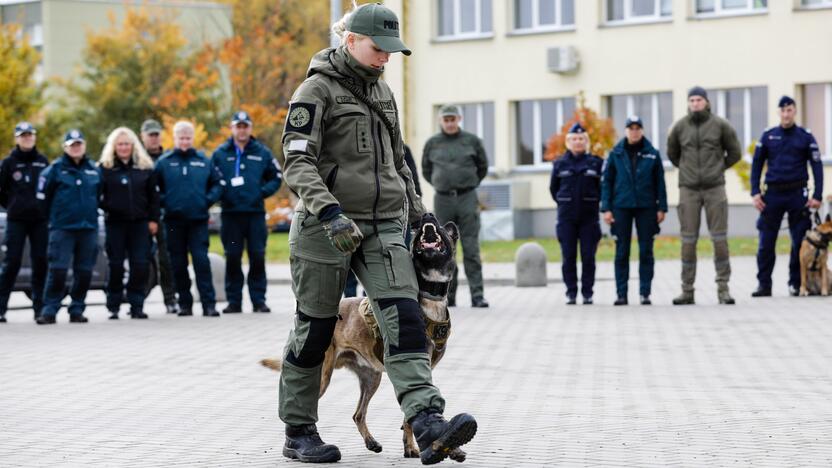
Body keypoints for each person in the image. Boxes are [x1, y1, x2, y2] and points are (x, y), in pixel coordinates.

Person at [277, 3, 477, 464]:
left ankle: (428, 422)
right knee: (315, 328)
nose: (386, 57)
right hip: (326, 227)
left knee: (405, 318)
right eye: (377, 48)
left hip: (384, 224)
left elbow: (398, 161)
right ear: (349, 41)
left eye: (391, 50)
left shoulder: (383, 92)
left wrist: (417, 209)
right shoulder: (315, 90)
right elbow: (298, 162)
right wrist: (329, 213)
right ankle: (299, 430)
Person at [667, 86, 742, 305]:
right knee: (688, 241)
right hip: (688, 190)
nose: (695, 103)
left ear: (706, 102)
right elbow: (673, 154)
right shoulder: (679, 127)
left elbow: (735, 152)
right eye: (692, 100)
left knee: (719, 239)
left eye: (699, 99)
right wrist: (688, 171)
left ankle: (723, 289)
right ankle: (687, 290)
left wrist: (717, 168)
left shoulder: (720, 125)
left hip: (714, 188)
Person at [750, 96, 824, 297]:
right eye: (782, 111)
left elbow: (817, 166)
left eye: (789, 110)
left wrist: (817, 195)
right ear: (778, 112)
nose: (786, 114)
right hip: (772, 194)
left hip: (797, 194)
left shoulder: (805, 137)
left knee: (799, 241)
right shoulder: (768, 136)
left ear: (795, 111)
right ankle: (764, 284)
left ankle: (796, 283)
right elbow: (756, 165)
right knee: (766, 241)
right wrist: (755, 192)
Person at [211, 111, 282, 313]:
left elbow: (276, 177)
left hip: (255, 215)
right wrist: (220, 195)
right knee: (232, 257)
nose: (241, 130)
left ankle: (258, 300)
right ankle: (234, 301)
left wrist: (261, 193)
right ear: (232, 128)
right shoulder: (220, 153)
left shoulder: (262, 152)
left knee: (257, 256)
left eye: (245, 126)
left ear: (250, 128)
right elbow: (212, 180)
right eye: (238, 126)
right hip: (231, 215)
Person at [154, 121, 224, 317]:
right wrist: (165, 202)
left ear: (192, 139)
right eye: (181, 138)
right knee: (178, 263)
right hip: (173, 222)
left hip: (198, 221)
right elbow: (153, 189)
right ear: (174, 139)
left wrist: (206, 201)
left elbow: (218, 185)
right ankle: (185, 304)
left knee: (201, 262)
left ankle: (208, 305)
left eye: (188, 138)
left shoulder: (203, 161)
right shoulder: (164, 162)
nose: (184, 142)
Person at [422, 105, 489, 308]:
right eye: (446, 119)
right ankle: (448, 296)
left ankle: (477, 295)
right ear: (441, 121)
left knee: (471, 249)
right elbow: (426, 170)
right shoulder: (432, 143)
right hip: (443, 200)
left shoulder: (471, 141)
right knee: (445, 250)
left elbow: (483, 167)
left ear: (459, 119)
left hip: (467, 197)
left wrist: (467, 184)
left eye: (453, 119)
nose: (450, 123)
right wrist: (442, 183)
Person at [35, 130, 101, 325]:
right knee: (58, 270)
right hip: (62, 228)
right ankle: (49, 310)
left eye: (79, 144)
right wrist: (54, 219)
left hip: (88, 228)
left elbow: (98, 195)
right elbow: (42, 200)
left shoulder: (94, 170)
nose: (76, 147)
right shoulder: (54, 170)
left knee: (85, 271)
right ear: (65, 147)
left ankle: (77, 309)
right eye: (72, 145)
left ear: (84, 145)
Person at [601, 116, 668, 306]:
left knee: (646, 251)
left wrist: (662, 207)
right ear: (625, 131)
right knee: (622, 252)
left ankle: (644, 293)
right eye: (631, 128)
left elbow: (660, 183)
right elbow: (607, 182)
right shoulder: (615, 153)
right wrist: (606, 208)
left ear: (643, 131)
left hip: (646, 207)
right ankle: (621, 294)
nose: (634, 131)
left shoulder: (652, 154)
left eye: (638, 128)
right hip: (621, 207)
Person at [99, 127, 160, 319]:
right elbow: (98, 196)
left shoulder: (145, 168)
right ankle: (114, 304)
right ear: (114, 147)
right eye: (120, 144)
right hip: (115, 224)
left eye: (127, 143)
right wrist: (109, 207)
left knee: (140, 265)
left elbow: (154, 197)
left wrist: (153, 219)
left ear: (133, 145)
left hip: (140, 224)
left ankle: (137, 304)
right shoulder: (105, 168)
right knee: (116, 265)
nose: (124, 147)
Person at [344, 143, 420, 298]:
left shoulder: (400, 148)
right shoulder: (350, 146)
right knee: (348, 262)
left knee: (385, 265)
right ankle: (350, 298)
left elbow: (410, 178)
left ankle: (373, 300)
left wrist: (415, 207)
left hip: (390, 214)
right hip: (352, 210)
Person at [549, 123, 604, 305]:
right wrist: (565, 204)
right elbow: (553, 189)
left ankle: (587, 293)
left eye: (581, 139)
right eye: (574, 139)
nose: (578, 142)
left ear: (586, 142)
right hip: (567, 218)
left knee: (589, 257)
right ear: (568, 142)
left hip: (589, 218)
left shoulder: (596, 163)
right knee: (568, 257)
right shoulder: (559, 164)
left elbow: (601, 189)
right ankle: (571, 293)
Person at [0, 122, 49, 323]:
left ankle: (39, 308)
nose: (27, 138)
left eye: (30, 135)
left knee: (40, 262)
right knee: (11, 262)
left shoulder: (43, 162)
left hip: (39, 221)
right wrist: (13, 205)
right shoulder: (8, 163)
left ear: (35, 137)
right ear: (17, 138)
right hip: (16, 220)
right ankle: (1, 307)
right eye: (23, 135)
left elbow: (49, 189)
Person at [141, 119, 179, 314]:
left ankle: (170, 298)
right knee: (139, 258)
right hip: (141, 215)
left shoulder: (168, 158)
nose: (154, 139)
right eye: (150, 135)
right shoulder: (137, 158)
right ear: (143, 136)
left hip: (164, 215)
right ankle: (137, 301)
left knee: (166, 259)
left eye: (157, 135)